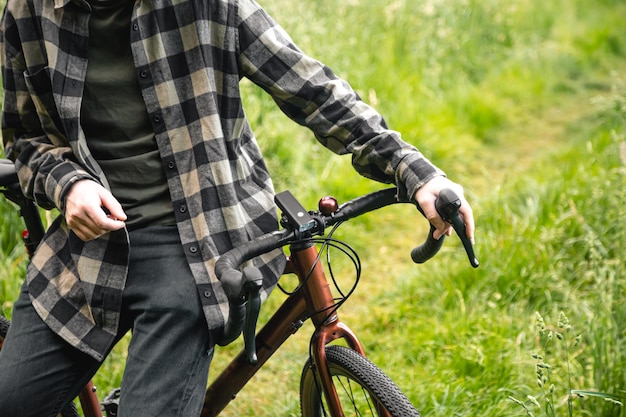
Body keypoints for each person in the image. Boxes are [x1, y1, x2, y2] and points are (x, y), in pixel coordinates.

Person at [0, 0, 475, 415]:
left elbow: (311, 88)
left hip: (198, 247)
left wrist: (415, 172)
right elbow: (23, 139)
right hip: (85, 251)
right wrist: (68, 185)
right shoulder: (26, 12)